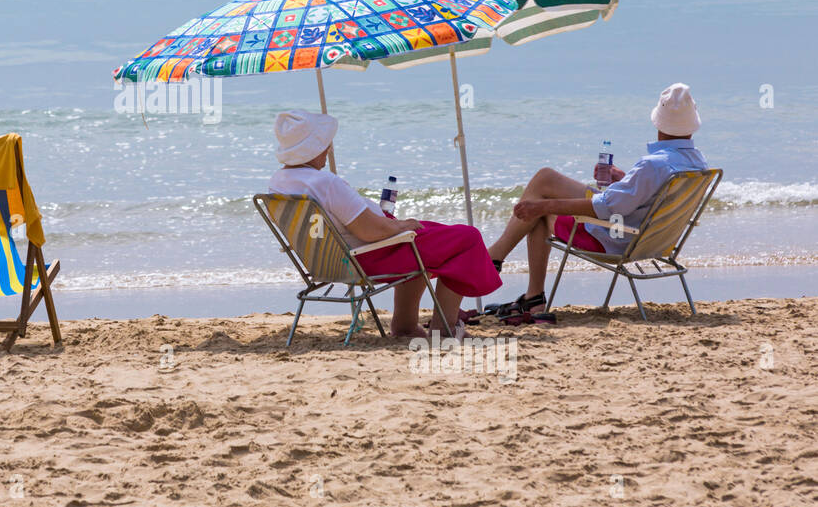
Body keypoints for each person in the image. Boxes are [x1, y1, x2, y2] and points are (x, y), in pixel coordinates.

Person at [267, 109, 501, 338]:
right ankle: (445, 329)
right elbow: (369, 231)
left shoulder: (279, 182)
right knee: (466, 238)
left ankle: (405, 326)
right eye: (325, 144)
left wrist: (395, 225)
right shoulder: (324, 182)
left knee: (434, 233)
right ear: (313, 148)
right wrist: (398, 227)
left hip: (330, 260)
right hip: (366, 256)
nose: (329, 150)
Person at [486, 83, 708, 317]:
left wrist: (543, 206)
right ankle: (512, 276)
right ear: (691, 126)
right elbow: (651, 199)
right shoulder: (696, 162)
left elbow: (605, 207)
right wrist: (623, 180)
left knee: (540, 210)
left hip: (616, 239)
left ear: (658, 122)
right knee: (546, 179)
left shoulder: (653, 165)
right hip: (655, 240)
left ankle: (504, 268)